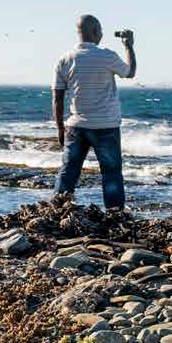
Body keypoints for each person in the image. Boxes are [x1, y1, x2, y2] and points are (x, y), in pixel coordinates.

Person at [52, 15, 136, 212]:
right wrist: (129, 45)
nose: (102, 34)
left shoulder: (65, 59)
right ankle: (115, 215)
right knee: (111, 173)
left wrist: (60, 129)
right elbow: (130, 72)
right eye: (100, 31)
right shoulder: (107, 55)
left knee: (68, 172)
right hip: (106, 126)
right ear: (94, 31)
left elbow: (57, 98)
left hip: (76, 126)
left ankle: (57, 211)